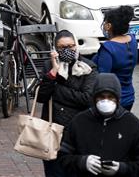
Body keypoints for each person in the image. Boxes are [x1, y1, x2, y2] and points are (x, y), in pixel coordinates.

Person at [58, 73, 139, 177]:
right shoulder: (79, 121)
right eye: (101, 97)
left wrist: (122, 168)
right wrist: (82, 162)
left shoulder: (133, 124)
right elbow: (63, 156)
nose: (106, 101)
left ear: (118, 99)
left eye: (111, 97)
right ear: (94, 98)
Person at [37, 30, 98, 177]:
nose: (67, 50)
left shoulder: (88, 67)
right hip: (52, 131)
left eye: (71, 46)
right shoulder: (49, 65)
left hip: (78, 131)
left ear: (76, 45)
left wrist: (57, 89)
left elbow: (87, 99)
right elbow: (41, 97)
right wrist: (53, 72)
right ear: (55, 49)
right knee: (54, 172)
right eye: (62, 47)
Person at [94, 6, 138, 112]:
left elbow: (103, 78)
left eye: (105, 22)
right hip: (129, 97)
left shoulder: (108, 48)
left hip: (113, 100)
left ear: (108, 26)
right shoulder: (132, 40)